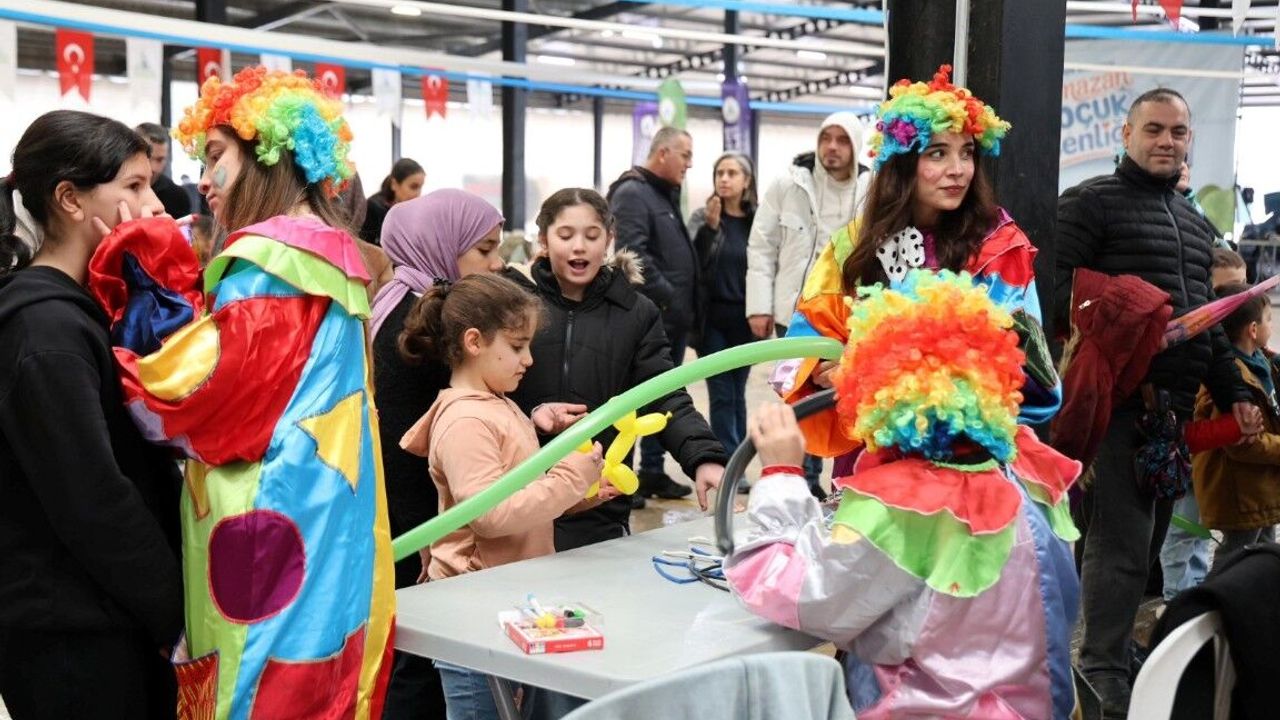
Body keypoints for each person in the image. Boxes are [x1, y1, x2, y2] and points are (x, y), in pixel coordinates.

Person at [89, 66, 395, 718]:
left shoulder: (274, 262)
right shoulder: (326, 256)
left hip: (269, 528)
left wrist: (117, 340)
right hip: (323, 518)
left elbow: (202, 396)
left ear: (266, 155)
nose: (202, 180)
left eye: (216, 155)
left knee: (254, 691)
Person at [726, 270, 1081, 719]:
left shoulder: (906, 508)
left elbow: (796, 593)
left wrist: (781, 472)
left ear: (877, 390)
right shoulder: (1032, 471)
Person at [1055, 86, 1259, 717]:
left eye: (1177, 131)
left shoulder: (1196, 226)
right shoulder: (1089, 203)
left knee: (1142, 550)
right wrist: (1121, 316)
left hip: (1169, 413)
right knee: (1121, 547)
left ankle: (1107, 658)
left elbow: (1208, 324)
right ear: (1126, 135)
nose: (1167, 141)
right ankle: (1101, 669)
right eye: (1153, 129)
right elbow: (1048, 288)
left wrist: (1235, 392)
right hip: (1113, 405)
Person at [774, 65, 1061, 485]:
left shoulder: (999, 247)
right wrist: (825, 368)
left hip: (965, 462)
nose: (958, 169)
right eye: (937, 153)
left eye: (967, 153)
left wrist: (871, 369)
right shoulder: (852, 246)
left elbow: (1025, 366)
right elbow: (804, 343)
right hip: (870, 458)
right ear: (903, 164)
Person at [0, 110, 183, 719]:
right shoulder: (44, 329)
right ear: (70, 200)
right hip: (73, 636)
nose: (154, 205)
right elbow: (93, 498)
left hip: (107, 614)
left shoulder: (84, 310)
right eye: (133, 186)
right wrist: (174, 611)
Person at [397, 273, 607, 720]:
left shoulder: (498, 404)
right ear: (474, 341)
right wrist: (569, 480)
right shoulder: (466, 422)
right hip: (473, 610)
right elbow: (489, 514)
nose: (528, 359)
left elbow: (520, 494)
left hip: (506, 599)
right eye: (517, 346)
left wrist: (578, 494)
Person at [371, 188, 538, 720]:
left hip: (417, 517)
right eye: (484, 249)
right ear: (440, 245)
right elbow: (410, 447)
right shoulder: (412, 329)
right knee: (423, 665)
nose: (497, 262)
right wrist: (430, 535)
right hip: (421, 522)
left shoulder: (406, 302)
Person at [509, 188, 727, 545]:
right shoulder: (511, 303)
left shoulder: (636, 312)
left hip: (599, 501)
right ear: (544, 240)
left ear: (609, 238)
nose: (579, 247)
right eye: (565, 235)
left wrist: (703, 457)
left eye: (592, 235)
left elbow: (663, 394)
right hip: (518, 498)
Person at [746, 111, 868, 494]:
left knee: (842, 400)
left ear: (856, 146)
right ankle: (802, 480)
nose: (832, 147)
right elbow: (762, 246)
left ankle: (833, 481)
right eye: (826, 138)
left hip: (849, 321)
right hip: (794, 315)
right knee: (798, 392)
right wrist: (759, 306)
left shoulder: (873, 189)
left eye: (842, 140)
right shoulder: (789, 185)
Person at [607, 126, 700, 501]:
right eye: (685, 155)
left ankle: (651, 470)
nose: (689, 164)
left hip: (670, 317)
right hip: (654, 315)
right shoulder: (633, 193)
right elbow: (634, 253)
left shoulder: (660, 193)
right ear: (663, 153)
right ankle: (624, 479)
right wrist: (669, 298)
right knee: (638, 397)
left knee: (662, 397)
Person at [1158, 248, 1248, 602]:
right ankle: (1179, 599)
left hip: (1215, 464)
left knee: (1197, 532)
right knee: (1184, 530)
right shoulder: (1194, 355)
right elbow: (1193, 425)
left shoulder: (1243, 357)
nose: (1236, 301)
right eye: (1225, 292)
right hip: (1193, 463)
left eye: (1243, 289)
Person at [1191, 282, 1280, 562]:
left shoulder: (1260, 362)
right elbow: (1241, 444)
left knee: (1263, 556)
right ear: (1252, 330)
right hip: (1241, 493)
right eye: (1269, 320)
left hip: (1259, 489)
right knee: (1234, 558)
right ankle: (1217, 591)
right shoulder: (1231, 381)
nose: (1272, 326)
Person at [688, 152, 757, 467]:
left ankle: (738, 460)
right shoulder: (702, 218)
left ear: (747, 181)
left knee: (737, 392)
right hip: (711, 320)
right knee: (721, 393)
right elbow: (692, 264)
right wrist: (710, 230)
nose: (724, 179)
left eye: (732, 173)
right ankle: (729, 463)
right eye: (719, 173)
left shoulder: (758, 221)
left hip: (745, 320)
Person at [360, 158, 424, 245]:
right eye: (413, 187)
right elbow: (364, 245)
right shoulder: (373, 208)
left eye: (420, 187)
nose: (418, 194)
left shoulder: (412, 212)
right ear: (394, 184)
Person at [135, 122, 193, 217]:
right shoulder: (115, 189)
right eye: (147, 157)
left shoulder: (177, 196)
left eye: (160, 159)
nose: (153, 167)